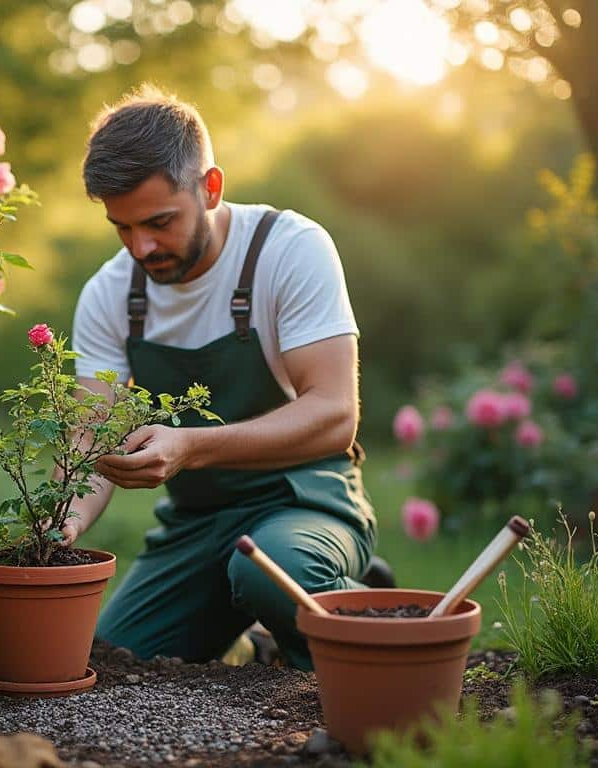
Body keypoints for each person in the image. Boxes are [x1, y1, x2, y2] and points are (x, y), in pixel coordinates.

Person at [60, 85, 390, 670]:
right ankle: (250, 636)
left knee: (275, 569)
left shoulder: (288, 250)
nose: (141, 247)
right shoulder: (110, 294)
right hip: (197, 525)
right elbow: (91, 436)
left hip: (305, 502)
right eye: (122, 228)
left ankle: (363, 604)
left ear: (210, 188)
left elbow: (335, 415)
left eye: (160, 222)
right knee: (113, 655)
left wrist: (191, 445)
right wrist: (63, 525)